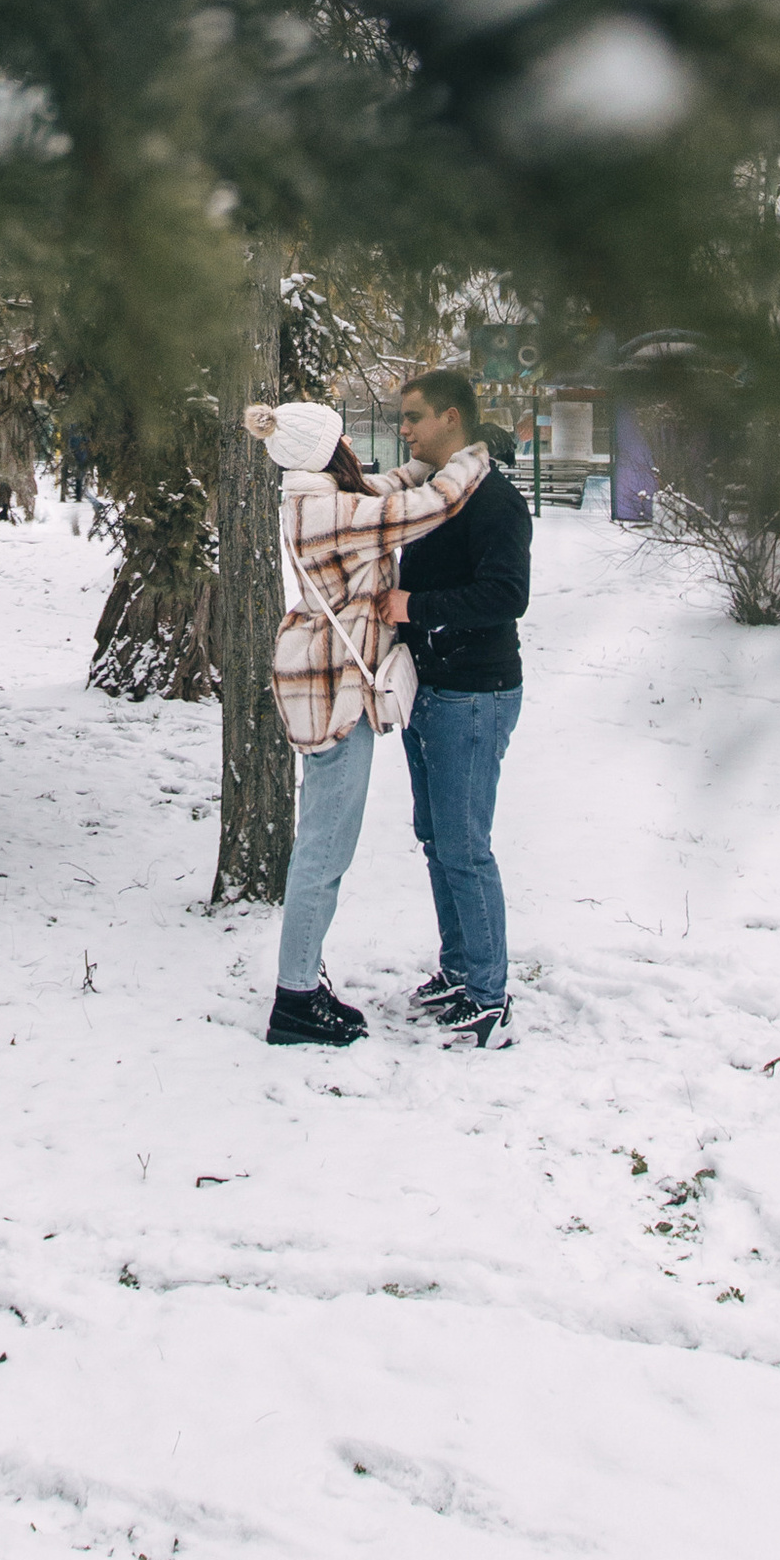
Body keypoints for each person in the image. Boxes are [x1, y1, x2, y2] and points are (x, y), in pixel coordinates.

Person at [243, 397, 492, 1050]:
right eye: (343, 437)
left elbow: (397, 484)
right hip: (335, 696)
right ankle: (296, 1000)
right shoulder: (328, 513)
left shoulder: (326, 497)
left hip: (332, 686)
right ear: (327, 450)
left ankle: (302, 982)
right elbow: (429, 506)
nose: (353, 444)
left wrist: (434, 458)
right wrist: (474, 454)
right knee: (325, 848)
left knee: (325, 842)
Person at [393, 365, 531, 1048]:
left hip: (474, 694)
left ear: (451, 417)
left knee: (465, 846)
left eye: (413, 416)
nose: (404, 429)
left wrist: (412, 607)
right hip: (429, 687)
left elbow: (507, 595)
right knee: (437, 839)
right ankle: (459, 972)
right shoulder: (434, 494)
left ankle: (488, 998)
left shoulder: (494, 501)